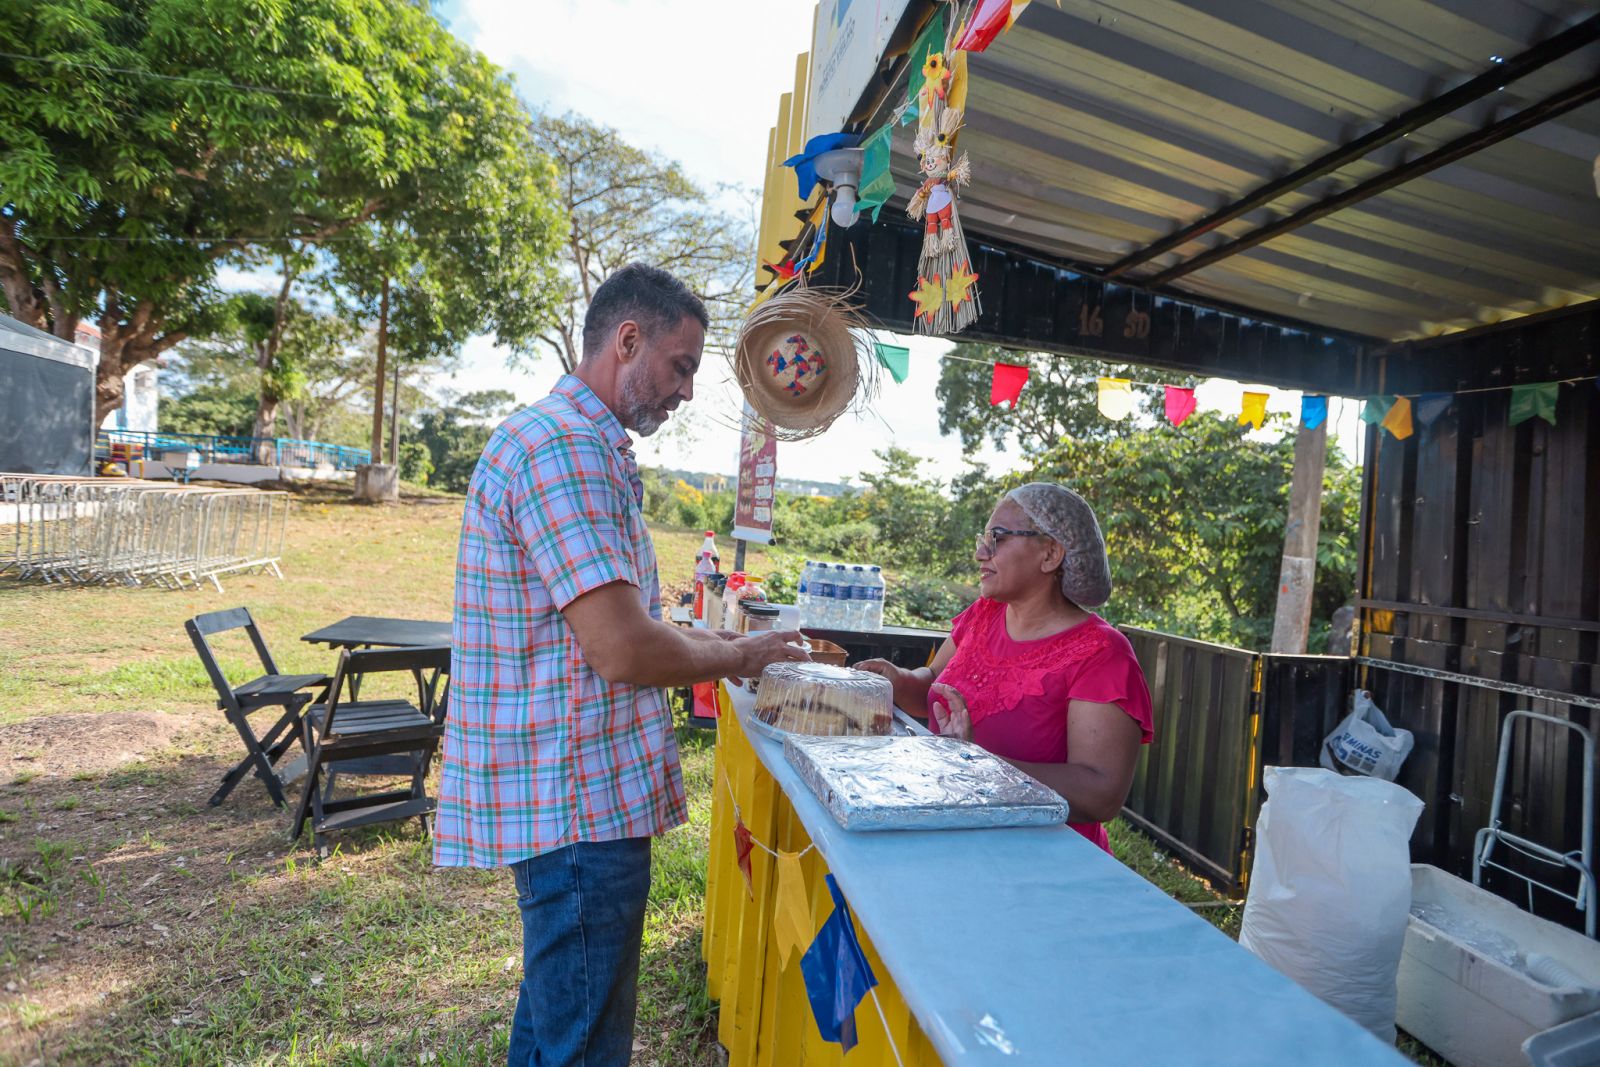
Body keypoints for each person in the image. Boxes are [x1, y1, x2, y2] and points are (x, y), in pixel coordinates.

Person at [434, 263, 809, 1067]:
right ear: (627, 339)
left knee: (555, 1023)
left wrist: (728, 651)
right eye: (681, 366)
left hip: (571, 796)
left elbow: (629, 623)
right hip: (577, 803)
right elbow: (622, 647)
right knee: (584, 1041)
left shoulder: (568, 441)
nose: (685, 392)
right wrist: (738, 651)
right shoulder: (565, 447)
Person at [858, 483, 1153, 852]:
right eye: (983, 538)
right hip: (955, 833)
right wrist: (895, 679)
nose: (981, 553)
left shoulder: (1102, 654)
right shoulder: (985, 615)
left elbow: (1100, 794)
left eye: (996, 538)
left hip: (1041, 860)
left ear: (1050, 554)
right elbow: (933, 686)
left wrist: (978, 762)